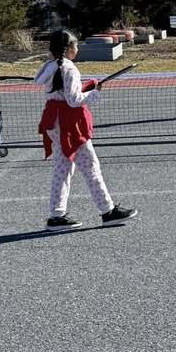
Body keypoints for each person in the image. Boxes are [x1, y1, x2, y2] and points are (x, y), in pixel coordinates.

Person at [35, 30, 137, 231]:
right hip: (70, 125)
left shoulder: (48, 67)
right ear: (69, 48)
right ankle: (108, 211)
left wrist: (86, 88)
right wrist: (93, 93)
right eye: (75, 44)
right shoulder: (70, 69)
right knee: (90, 166)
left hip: (53, 123)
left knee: (62, 168)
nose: (78, 48)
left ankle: (57, 215)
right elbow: (74, 101)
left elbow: (63, 94)